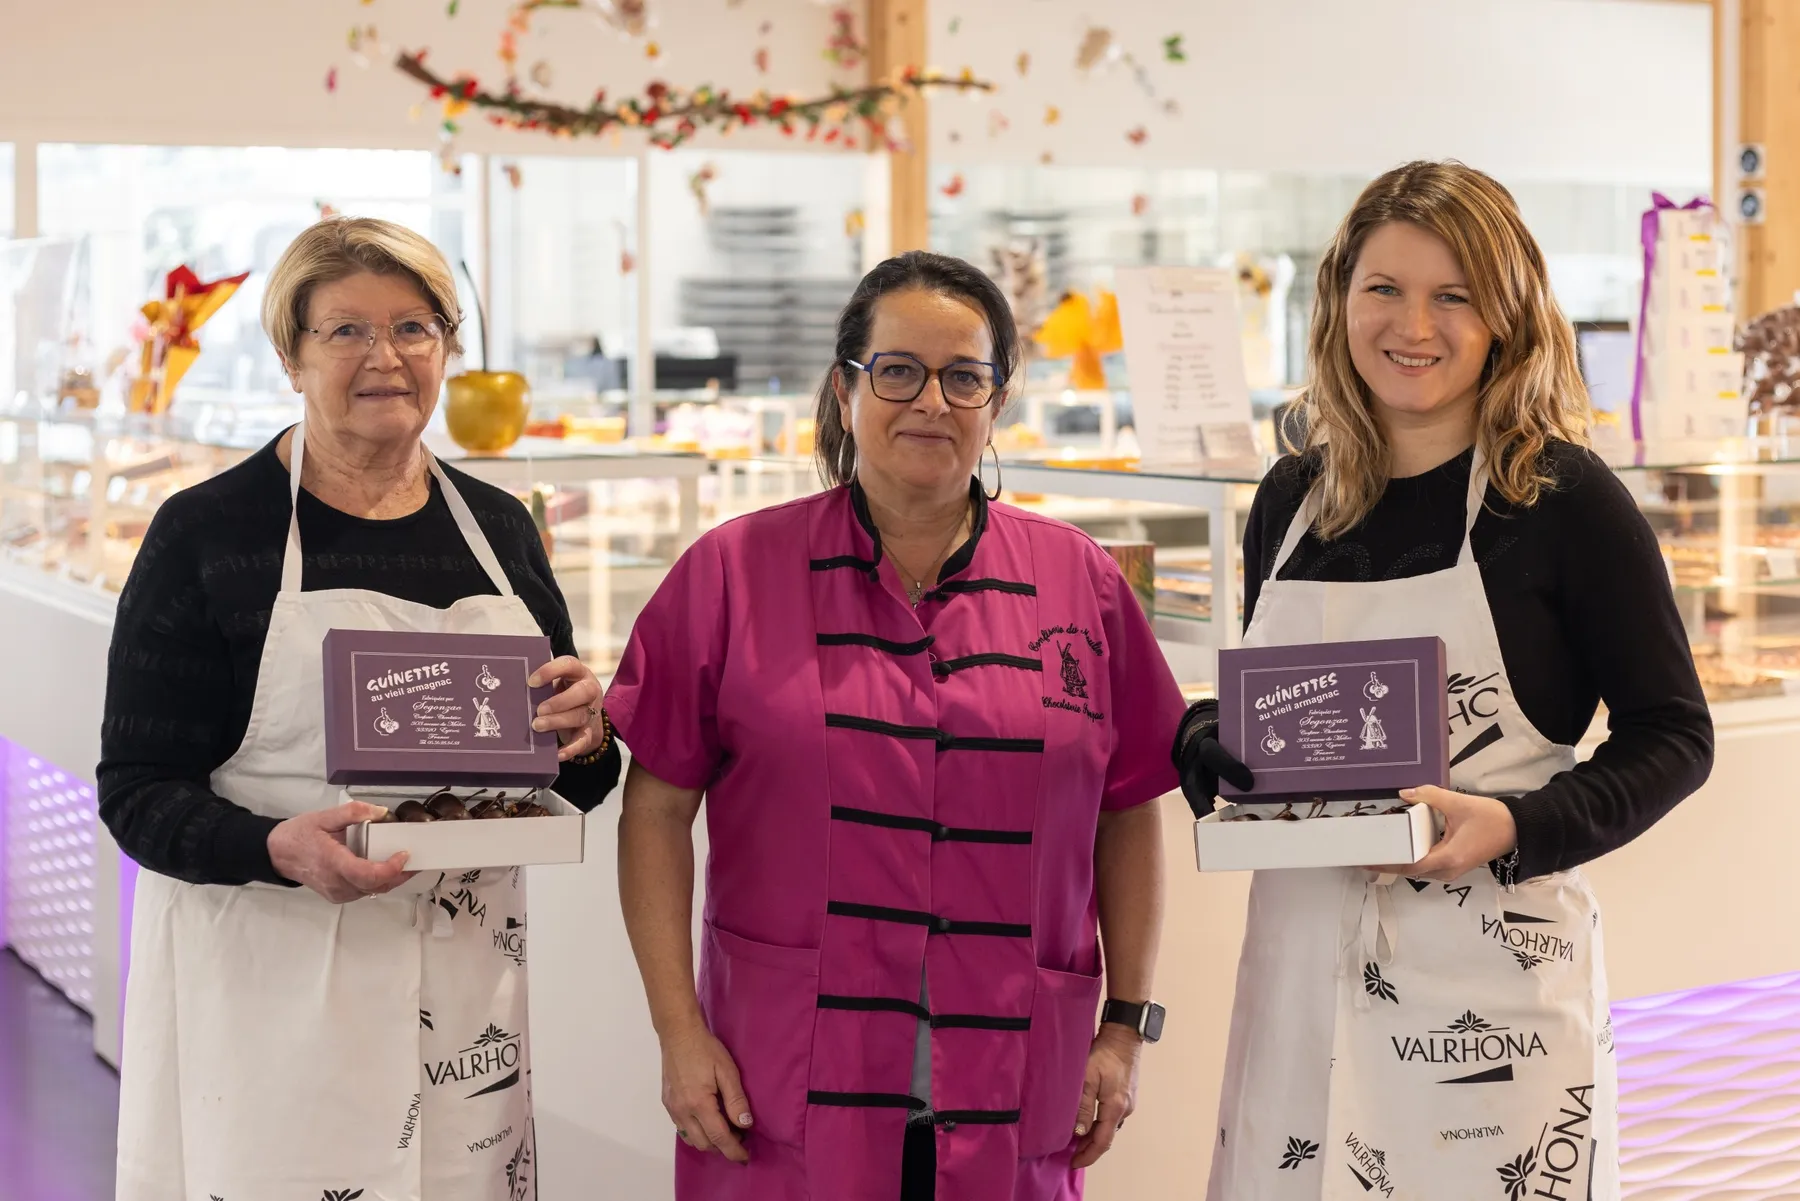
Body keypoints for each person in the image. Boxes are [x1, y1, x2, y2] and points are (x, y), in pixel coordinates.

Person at [1176, 161, 1714, 1200]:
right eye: (1384, 287)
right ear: (1340, 298)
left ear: (1506, 315)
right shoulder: (1291, 495)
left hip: (1490, 1011)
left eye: (1453, 295)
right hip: (1301, 981)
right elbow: (1285, 712)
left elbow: (1676, 734)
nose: (1412, 325)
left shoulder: (1561, 500)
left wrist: (1515, 823)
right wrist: (1210, 737)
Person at [609, 251, 1185, 1200]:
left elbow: (1126, 812)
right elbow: (656, 810)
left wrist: (1124, 1027)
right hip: (780, 1087)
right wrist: (679, 1030)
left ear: (998, 400)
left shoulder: (1079, 580)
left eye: (964, 377)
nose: (931, 402)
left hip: (1016, 1083)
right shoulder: (731, 574)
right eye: (898, 371)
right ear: (846, 390)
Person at [100, 216, 622, 1201]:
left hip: (469, 1002)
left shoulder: (500, 529)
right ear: (290, 356)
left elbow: (575, 775)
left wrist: (589, 737)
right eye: (346, 330)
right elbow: (135, 792)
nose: (386, 356)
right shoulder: (207, 532)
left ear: (446, 349)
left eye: (414, 327)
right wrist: (275, 847)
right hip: (273, 984)